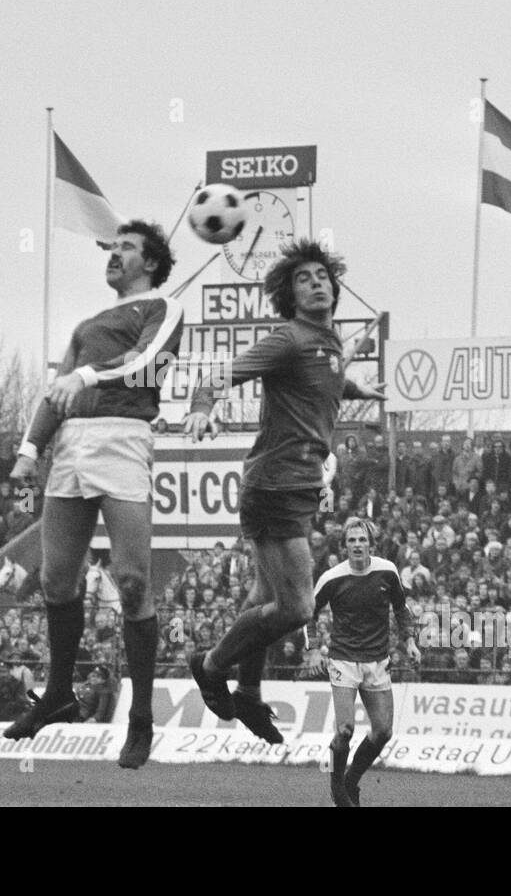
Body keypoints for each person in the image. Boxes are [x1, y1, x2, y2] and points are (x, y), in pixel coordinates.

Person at [182, 239, 385, 744]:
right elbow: (217, 377)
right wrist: (203, 406)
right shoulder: (289, 340)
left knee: (264, 597)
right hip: (275, 484)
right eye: (303, 278)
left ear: (334, 287)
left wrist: (357, 389)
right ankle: (209, 665)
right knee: (297, 609)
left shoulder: (329, 345)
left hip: (296, 486)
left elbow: (328, 380)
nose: (316, 282)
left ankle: (248, 692)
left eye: (322, 275)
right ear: (289, 295)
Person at [2, 220, 183, 770]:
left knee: (131, 581)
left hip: (123, 440)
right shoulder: (85, 324)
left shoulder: (161, 307)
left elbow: (145, 364)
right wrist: (31, 449)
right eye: (112, 247)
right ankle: (58, 696)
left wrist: (85, 377)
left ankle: (142, 717)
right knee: (57, 579)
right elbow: (55, 390)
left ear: (150, 263)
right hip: (72, 447)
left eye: (125, 248)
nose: (113, 254)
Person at [304, 517, 417, 807]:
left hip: (377, 661)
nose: (357, 545)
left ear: (371, 544)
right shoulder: (332, 577)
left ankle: (350, 780)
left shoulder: (387, 571)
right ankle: (337, 789)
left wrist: (411, 640)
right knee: (345, 730)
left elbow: (402, 609)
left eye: (362, 540)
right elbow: (309, 614)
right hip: (343, 659)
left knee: (383, 731)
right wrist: (314, 649)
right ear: (344, 546)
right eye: (351, 540)